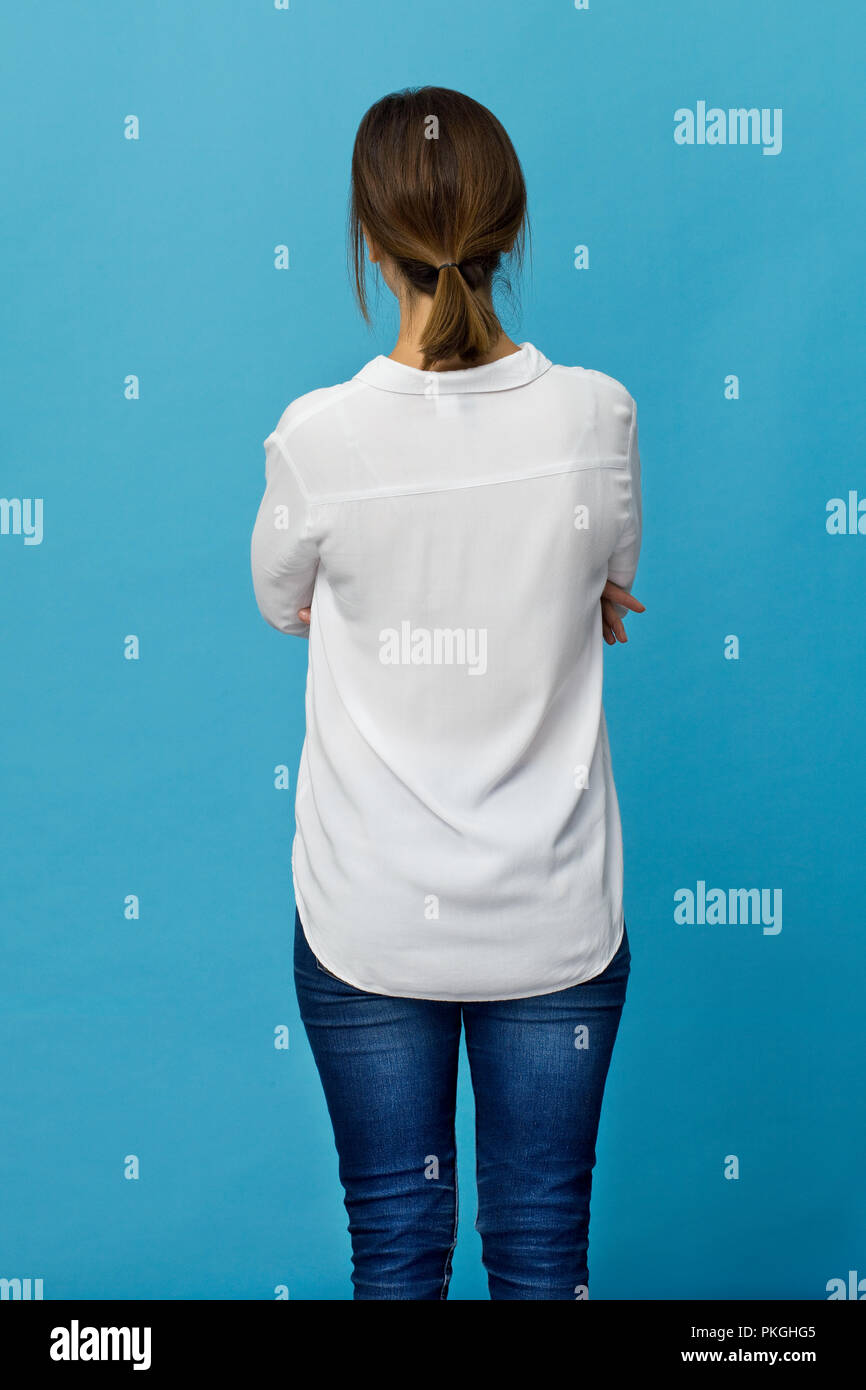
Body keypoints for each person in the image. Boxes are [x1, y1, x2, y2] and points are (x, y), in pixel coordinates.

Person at [250, 85, 645, 1300]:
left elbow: (283, 601)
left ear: (370, 244)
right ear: (511, 234)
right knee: (540, 1251)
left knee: (395, 1253)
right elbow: (610, 584)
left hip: (369, 914)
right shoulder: (597, 415)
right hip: (553, 921)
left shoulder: (317, 439)